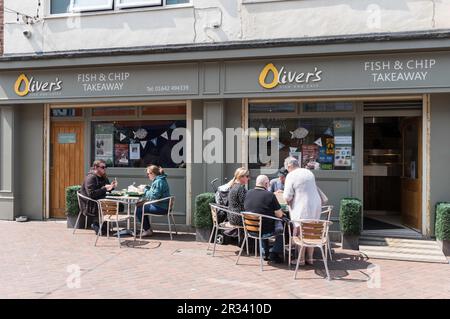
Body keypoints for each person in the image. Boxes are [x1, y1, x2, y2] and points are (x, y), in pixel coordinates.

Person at [283, 158, 322, 265]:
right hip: (315, 205)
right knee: (311, 230)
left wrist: (286, 200)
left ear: (289, 166)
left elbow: (287, 196)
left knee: (300, 231)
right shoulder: (308, 172)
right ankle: (310, 258)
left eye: (287, 168)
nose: (287, 170)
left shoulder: (291, 175)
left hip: (302, 206)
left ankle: (300, 259)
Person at [244, 175, 285, 263]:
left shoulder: (248, 193)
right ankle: (275, 252)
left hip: (249, 230)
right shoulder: (270, 195)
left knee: (263, 221)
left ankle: (264, 252)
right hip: (264, 231)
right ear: (266, 184)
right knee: (283, 228)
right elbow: (279, 214)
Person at [80, 159, 117, 235]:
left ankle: (103, 225)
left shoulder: (103, 177)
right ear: (96, 167)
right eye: (102, 167)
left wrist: (112, 186)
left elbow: (106, 189)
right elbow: (91, 194)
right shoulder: (91, 178)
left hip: (101, 201)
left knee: (119, 205)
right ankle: (95, 224)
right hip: (91, 204)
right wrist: (105, 188)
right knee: (102, 233)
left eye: (105, 167)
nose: (104, 169)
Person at [136, 165, 170, 237]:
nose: (147, 175)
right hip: (163, 205)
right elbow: (155, 192)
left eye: (148, 174)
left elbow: (153, 197)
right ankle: (148, 229)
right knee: (140, 205)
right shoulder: (160, 180)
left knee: (139, 209)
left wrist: (144, 190)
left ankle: (147, 230)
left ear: (153, 173)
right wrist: (147, 187)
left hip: (161, 207)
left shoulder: (158, 181)